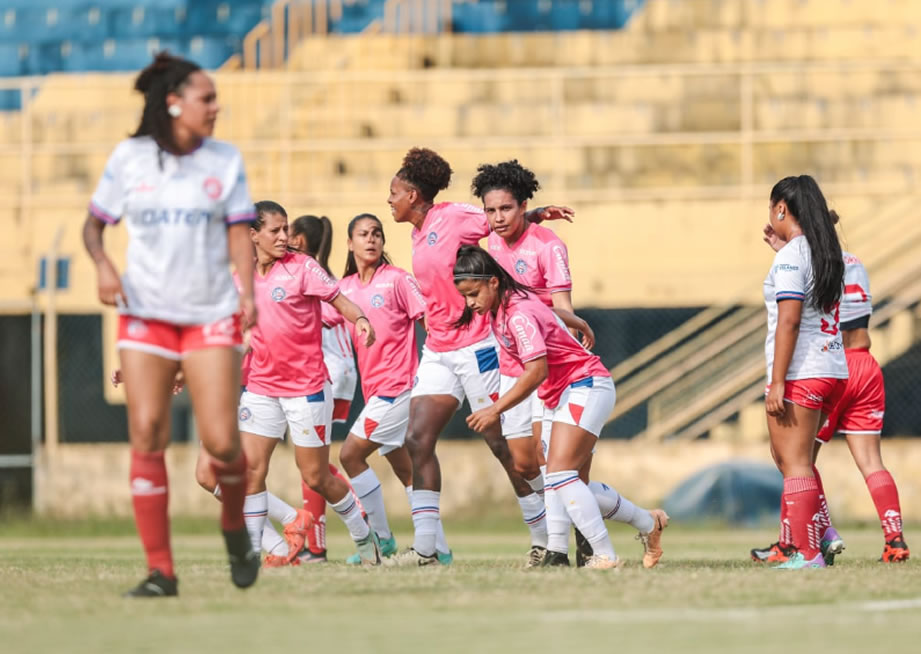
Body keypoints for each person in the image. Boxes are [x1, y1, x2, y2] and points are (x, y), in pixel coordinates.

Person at [83, 52, 260, 597]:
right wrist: (104, 265)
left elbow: (238, 234)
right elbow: (94, 228)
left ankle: (234, 527)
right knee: (147, 433)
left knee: (223, 442)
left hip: (208, 314)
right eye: (206, 98)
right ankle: (162, 571)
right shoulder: (129, 158)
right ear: (174, 103)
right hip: (145, 314)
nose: (215, 107)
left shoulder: (224, 160)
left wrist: (247, 291)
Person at [472, 159, 668, 567]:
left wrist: (573, 322)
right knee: (531, 465)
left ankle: (561, 549)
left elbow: (559, 307)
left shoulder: (548, 246)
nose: (497, 218)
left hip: (552, 365)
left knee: (564, 474)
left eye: (506, 209)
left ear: (523, 204)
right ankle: (641, 521)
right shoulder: (490, 246)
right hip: (519, 365)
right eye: (490, 211)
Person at [384, 147, 572, 566]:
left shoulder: (450, 217)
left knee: (502, 445)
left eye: (394, 192)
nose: (389, 199)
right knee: (417, 439)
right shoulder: (416, 231)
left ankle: (547, 535)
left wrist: (538, 213)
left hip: (477, 345)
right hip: (438, 349)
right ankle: (428, 550)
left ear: (414, 195)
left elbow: (497, 218)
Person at [452, 245, 628, 569]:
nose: (470, 303)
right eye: (464, 296)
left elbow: (537, 370)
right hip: (559, 388)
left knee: (560, 474)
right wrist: (579, 322)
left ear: (493, 282)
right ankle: (567, 550)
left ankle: (601, 552)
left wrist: (494, 410)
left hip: (582, 383)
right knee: (552, 475)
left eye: (473, 293)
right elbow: (546, 313)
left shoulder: (516, 314)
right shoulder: (504, 306)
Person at [752, 215, 909, 565]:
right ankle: (894, 537)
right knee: (871, 461)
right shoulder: (852, 262)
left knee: (796, 460)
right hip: (866, 364)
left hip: (828, 363)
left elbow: (799, 312)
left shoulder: (811, 261)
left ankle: (798, 540)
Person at [235, 201, 382, 566]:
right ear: (253, 235)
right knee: (252, 471)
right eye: (276, 230)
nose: (285, 236)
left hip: (307, 389)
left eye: (286, 229)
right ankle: (253, 552)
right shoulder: (240, 276)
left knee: (316, 477)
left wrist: (361, 319)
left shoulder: (303, 267)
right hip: (261, 387)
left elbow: (340, 300)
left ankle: (364, 535)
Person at [337, 213, 451, 564]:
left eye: (377, 234)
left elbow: (429, 320)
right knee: (407, 472)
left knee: (350, 455)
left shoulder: (398, 280)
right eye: (363, 234)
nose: (371, 240)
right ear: (349, 243)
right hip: (376, 392)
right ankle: (440, 550)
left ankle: (381, 540)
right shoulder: (345, 289)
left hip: (399, 388)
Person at [758, 175, 849, 570]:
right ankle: (824, 533)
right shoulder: (822, 251)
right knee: (791, 458)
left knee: (792, 462)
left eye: (771, 209)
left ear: (781, 208)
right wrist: (784, 249)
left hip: (803, 371)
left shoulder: (793, 256)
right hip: (832, 369)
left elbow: (790, 321)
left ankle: (809, 553)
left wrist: (778, 380)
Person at [288, 214, 359, 563]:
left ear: (299, 240)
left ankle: (317, 544)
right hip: (342, 370)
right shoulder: (319, 272)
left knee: (311, 463)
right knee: (314, 460)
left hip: (327, 371)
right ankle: (318, 540)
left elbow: (332, 315)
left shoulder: (306, 274)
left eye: (287, 234)